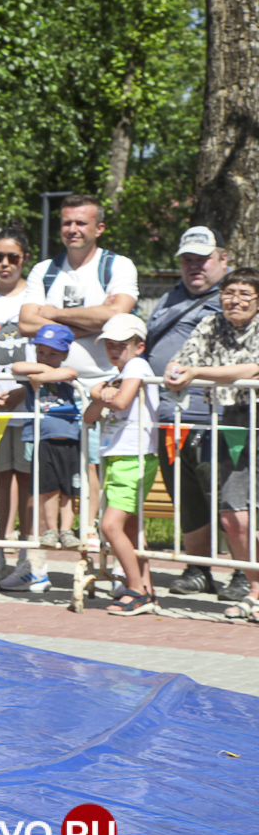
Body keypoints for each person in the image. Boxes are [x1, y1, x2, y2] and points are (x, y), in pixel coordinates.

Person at [18, 194, 139, 537]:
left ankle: (105, 556)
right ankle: (39, 565)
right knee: (48, 480)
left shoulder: (117, 266)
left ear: (99, 228)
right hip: (54, 397)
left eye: (81, 223)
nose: (73, 229)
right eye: (66, 223)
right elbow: (26, 323)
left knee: (101, 477)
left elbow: (119, 315)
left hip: (105, 392)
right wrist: (93, 321)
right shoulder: (45, 270)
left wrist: (53, 316)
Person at [163, 266, 259, 622]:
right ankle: (256, 591)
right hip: (228, 420)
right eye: (229, 293)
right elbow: (184, 361)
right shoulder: (210, 324)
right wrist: (176, 372)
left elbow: (252, 370)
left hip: (257, 417)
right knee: (233, 516)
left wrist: (197, 373)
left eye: (245, 295)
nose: (235, 301)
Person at [145, 226, 234, 599]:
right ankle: (199, 568)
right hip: (169, 417)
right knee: (188, 498)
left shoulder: (235, 298)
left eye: (202, 259)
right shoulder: (169, 298)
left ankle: (245, 572)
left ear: (223, 260)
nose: (194, 267)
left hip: (217, 417)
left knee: (231, 499)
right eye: (187, 260)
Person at [82, 314, 160, 615]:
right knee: (132, 529)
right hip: (120, 454)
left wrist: (102, 394)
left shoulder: (137, 366)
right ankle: (147, 589)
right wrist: (99, 393)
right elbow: (89, 415)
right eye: (110, 345)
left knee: (111, 525)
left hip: (134, 455)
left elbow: (121, 402)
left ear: (138, 347)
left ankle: (135, 588)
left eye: (121, 345)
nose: (114, 350)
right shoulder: (118, 373)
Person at [0, 325, 82, 593]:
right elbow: (17, 367)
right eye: (41, 352)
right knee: (46, 489)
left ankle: (66, 529)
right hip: (41, 437)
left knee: (68, 489)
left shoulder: (63, 372)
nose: (45, 357)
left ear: (65, 353)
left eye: (53, 353)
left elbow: (70, 373)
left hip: (68, 436)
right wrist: (42, 373)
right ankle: (50, 530)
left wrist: (44, 376)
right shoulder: (33, 369)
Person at [0, 226, 32, 585]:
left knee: (28, 478)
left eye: (12, 257)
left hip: (28, 399)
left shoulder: (36, 297)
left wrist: (21, 390)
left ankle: (27, 556)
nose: (5, 264)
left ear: (23, 259)